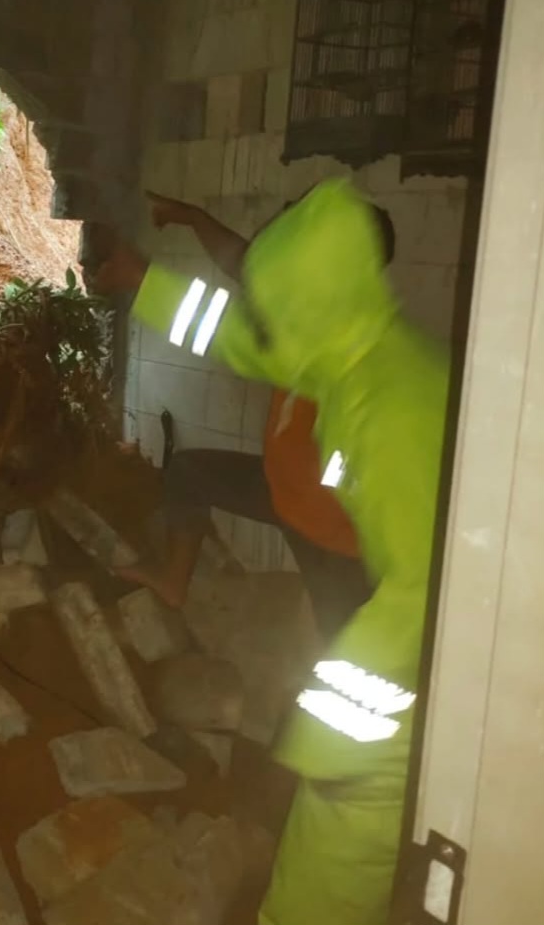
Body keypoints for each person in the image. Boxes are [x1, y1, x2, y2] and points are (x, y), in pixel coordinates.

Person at [99, 180, 449, 925]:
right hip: (303, 518)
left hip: (367, 604)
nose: (269, 317)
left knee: (343, 830)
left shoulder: (393, 404)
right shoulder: (336, 346)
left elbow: (428, 599)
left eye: (281, 297)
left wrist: (329, 730)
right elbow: (235, 337)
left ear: (318, 293)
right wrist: (147, 282)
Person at [119, 191, 395, 643]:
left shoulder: (349, 335)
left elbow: (227, 317)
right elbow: (247, 265)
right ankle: (173, 582)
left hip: (330, 528)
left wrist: (143, 279)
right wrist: (194, 216)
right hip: (284, 489)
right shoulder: (312, 305)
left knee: (345, 650)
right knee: (189, 472)